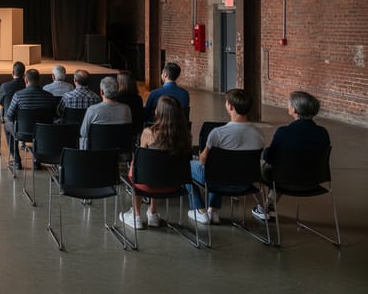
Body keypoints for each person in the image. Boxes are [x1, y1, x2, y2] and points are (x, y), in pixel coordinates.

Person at [186, 88, 264, 225]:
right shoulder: (259, 134)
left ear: (230, 106)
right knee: (221, 168)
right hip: (245, 182)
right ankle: (213, 210)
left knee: (187, 166)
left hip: (217, 181)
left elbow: (204, 160)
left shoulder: (217, 133)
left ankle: (199, 209)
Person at [252, 91, 331, 221]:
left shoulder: (284, 132)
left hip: (286, 179)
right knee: (287, 167)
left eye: (288, 104)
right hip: (313, 180)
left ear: (294, 110)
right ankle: (269, 207)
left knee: (254, 165)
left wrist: (265, 151)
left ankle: (262, 208)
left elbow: (269, 157)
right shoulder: (323, 133)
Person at [119, 95, 191, 230]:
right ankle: (152, 212)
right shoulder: (185, 136)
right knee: (157, 167)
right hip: (174, 184)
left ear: (159, 112)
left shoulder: (149, 133)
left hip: (146, 185)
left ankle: (136, 215)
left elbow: (141, 161)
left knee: (141, 166)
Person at [4, 68, 58, 169]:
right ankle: (37, 160)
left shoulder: (18, 95)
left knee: (7, 125)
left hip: (23, 134)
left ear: (26, 81)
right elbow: (54, 115)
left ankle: (17, 161)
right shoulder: (49, 96)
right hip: (44, 133)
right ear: (39, 80)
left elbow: (9, 116)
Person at [78, 76, 132, 149]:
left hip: (97, 154)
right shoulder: (126, 109)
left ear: (102, 92)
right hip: (120, 154)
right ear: (117, 91)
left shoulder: (92, 110)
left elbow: (83, 133)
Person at [0, 61, 26, 150]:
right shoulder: (27, 86)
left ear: (13, 73)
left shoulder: (5, 86)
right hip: (24, 118)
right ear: (24, 74)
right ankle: (22, 142)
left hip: (9, 117)